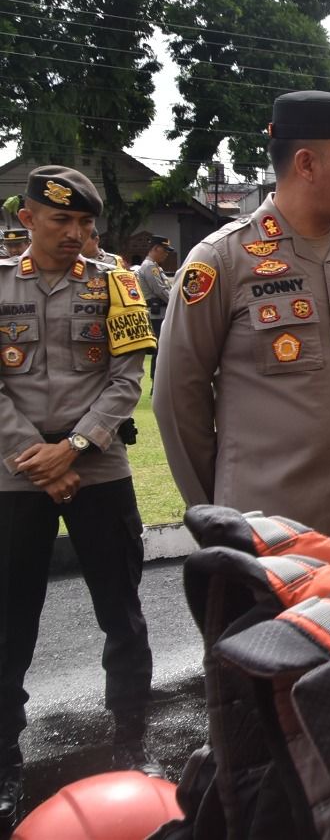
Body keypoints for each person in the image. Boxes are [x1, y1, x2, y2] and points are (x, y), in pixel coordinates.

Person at [154, 91, 330, 542]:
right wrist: (218, 514)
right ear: (307, 164)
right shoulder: (222, 260)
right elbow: (177, 399)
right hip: (267, 531)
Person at [1, 166, 161, 828]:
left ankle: (131, 741)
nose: (76, 234)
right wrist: (37, 457)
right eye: (62, 220)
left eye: (86, 223)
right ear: (29, 216)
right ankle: (4, 761)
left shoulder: (117, 282)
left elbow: (128, 378)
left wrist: (74, 448)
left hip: (97, 466)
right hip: (14, 472)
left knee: (121, 611)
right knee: (9, 621)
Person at [135, 235, 174, 380]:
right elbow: (160, 290)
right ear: (156, 249)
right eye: (165, 250)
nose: (166, 254)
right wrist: (177, 304)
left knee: (162, 350)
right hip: (156, 315)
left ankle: (157, 382)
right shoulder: (150, 267)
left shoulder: (154, 267)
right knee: (161, 350)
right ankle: (157, 383)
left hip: (160, 313)